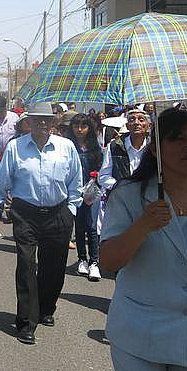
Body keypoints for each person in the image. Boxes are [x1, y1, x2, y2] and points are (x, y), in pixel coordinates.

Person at [100, 108, 187, 369]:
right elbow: (108, 263)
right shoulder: (128, 197)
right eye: (178, 138)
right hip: (140, 334)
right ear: (155, 149)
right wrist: (143, 226)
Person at [0, 102, 83, 345]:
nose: (42, 123)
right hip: (25, 214)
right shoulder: (15, 148)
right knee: (27, 265)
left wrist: (71, 211)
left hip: (58, 213)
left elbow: (76, 182)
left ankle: (45, 308)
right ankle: (26, 322)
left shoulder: (66, 147)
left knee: (54, 266)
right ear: (28, 121)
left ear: (54, 123)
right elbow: (1, 183)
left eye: (47, 120)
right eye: (37, 119)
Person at [98, 109, 150, 234]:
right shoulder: (115, 146)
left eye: (141, 119)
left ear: (148, 126)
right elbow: (103, 176)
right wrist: (122, 186)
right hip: (122, 202)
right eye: (132, 120)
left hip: (148, 200)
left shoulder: (154, 147)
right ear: (127, 126)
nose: (136, 123)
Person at [68, 113, 104, 281]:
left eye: (83, 126)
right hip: (74, 191)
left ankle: (94, 262)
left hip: (91, 190)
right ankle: (82, 259)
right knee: (80, 225)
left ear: (89, 128)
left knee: (92, 226)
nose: (79, 129)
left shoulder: (95, 147)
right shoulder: (68, 145)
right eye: (76, 126)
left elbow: (102, 168)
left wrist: (95, 176)